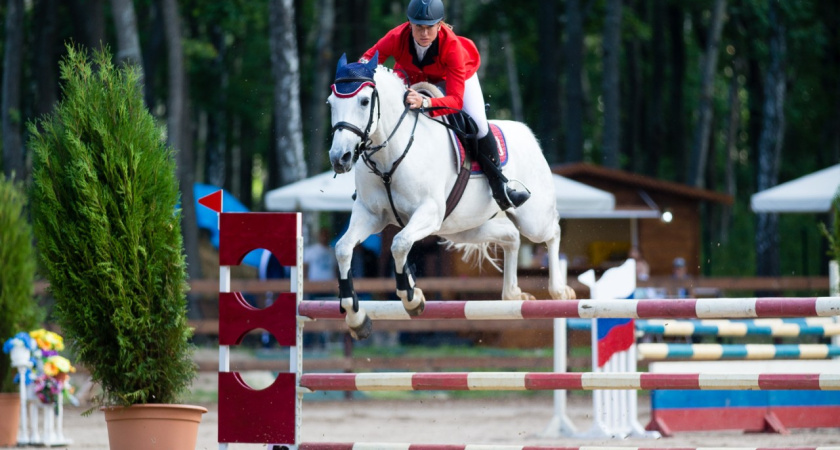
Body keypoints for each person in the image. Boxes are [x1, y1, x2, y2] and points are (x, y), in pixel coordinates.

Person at [359, 0, 529, 211]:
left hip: (454, 77)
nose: (423, 33)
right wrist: (357, 75)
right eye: (418, 26)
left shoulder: (452, 47)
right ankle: (367, 182)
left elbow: (456, 102)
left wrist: (425, 102)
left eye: (429, 27)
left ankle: (500, 186)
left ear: (440, 25)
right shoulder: (396, 36)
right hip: (412, 73)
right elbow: (369, 58)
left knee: (478, 123)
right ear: (409, 24)